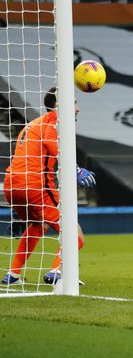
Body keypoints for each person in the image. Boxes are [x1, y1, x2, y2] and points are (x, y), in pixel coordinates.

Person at [1, 88, 96, 286]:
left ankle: (13, 274)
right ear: (58, 105)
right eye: (74, 103)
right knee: (75, 233)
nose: (77, 109)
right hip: (35, 186)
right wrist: (77, 170)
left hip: (12, 186)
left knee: (37, 225)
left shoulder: (32, 125)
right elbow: (60, 151)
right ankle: (57, 272)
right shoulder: (53, 122)